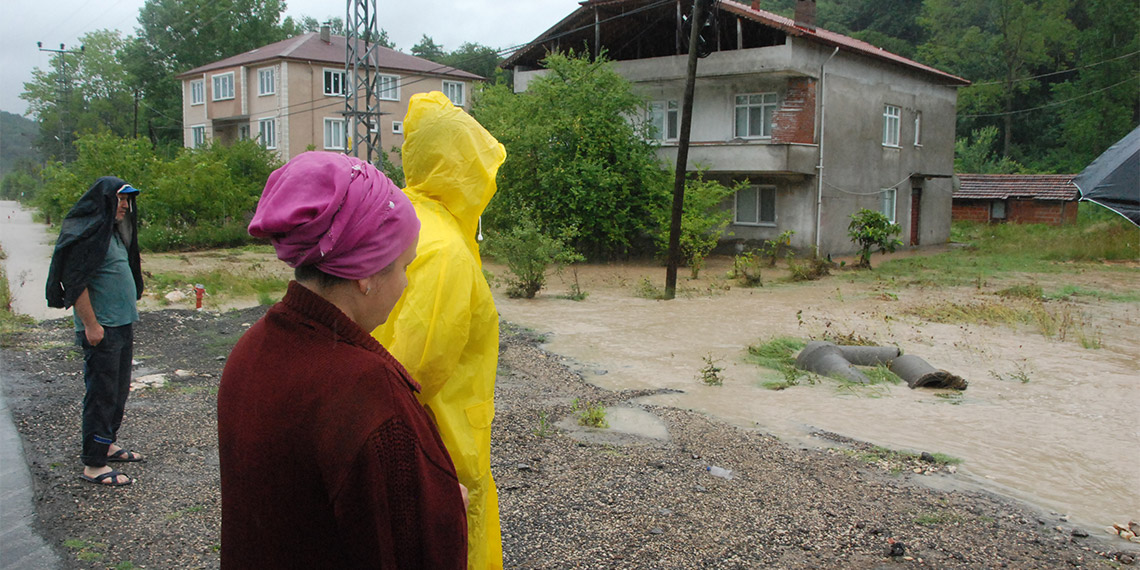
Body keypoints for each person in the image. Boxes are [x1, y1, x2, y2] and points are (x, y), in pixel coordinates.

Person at [217, 151, 468, 568]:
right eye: (404, 266)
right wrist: (444, 507)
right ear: (365, 274)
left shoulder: (252, 348)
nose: (406, 284)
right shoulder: (368, 391)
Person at [371, 91, 507, 569]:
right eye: (480, 167)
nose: (487, 182)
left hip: (427, 437)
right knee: (452, 548)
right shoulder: (444, 250)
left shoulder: (404, 221)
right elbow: (412, 371)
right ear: (460, 168)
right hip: (442, 440)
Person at [46, 177, 145, 487]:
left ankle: (107, 444)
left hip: (121, 323)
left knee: (118, 390)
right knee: (101, 394)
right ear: (104, 201)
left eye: (127, 200)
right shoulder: (87, 236)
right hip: (102, 329)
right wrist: (91, 325)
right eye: (120, 199)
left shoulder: (112, 233)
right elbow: (75, 284)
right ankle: (94, 463)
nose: (125, 206)